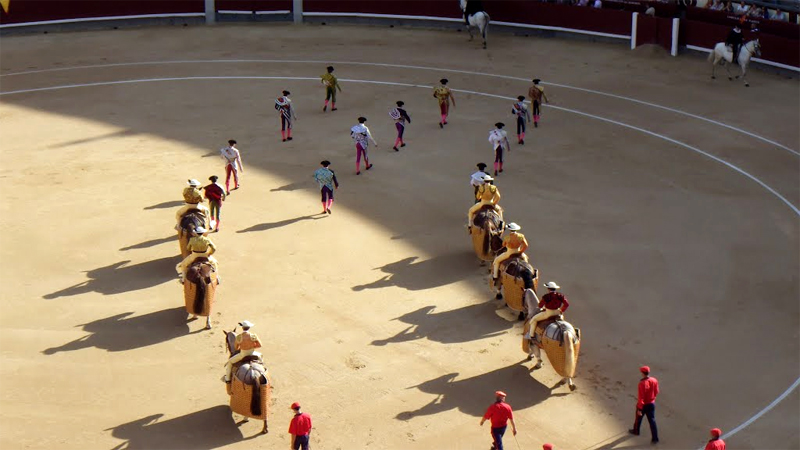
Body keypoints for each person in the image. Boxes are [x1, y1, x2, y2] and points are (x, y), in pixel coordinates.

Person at [525, 282, 569, 358]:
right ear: (555, 289)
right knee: (562, 321)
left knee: (533, 320)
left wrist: (544, 307)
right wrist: (561, 310)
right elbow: (566, 304)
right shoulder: (560, 296)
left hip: (548, 313)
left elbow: (540, 305)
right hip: (558, 313)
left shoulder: (547, 296)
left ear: (548, 289)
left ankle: (531, 336)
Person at [629, 366, 660, 443]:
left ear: (643, 373)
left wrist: (639, 408)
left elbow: (641, 397)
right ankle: (655, 438)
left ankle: (636, 431)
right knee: (652, 421)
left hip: (643, 405)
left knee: (638, 419)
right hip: (651, 404)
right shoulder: (654, 380)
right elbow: (657, 391)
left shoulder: (642, 384)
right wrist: (652, 398)